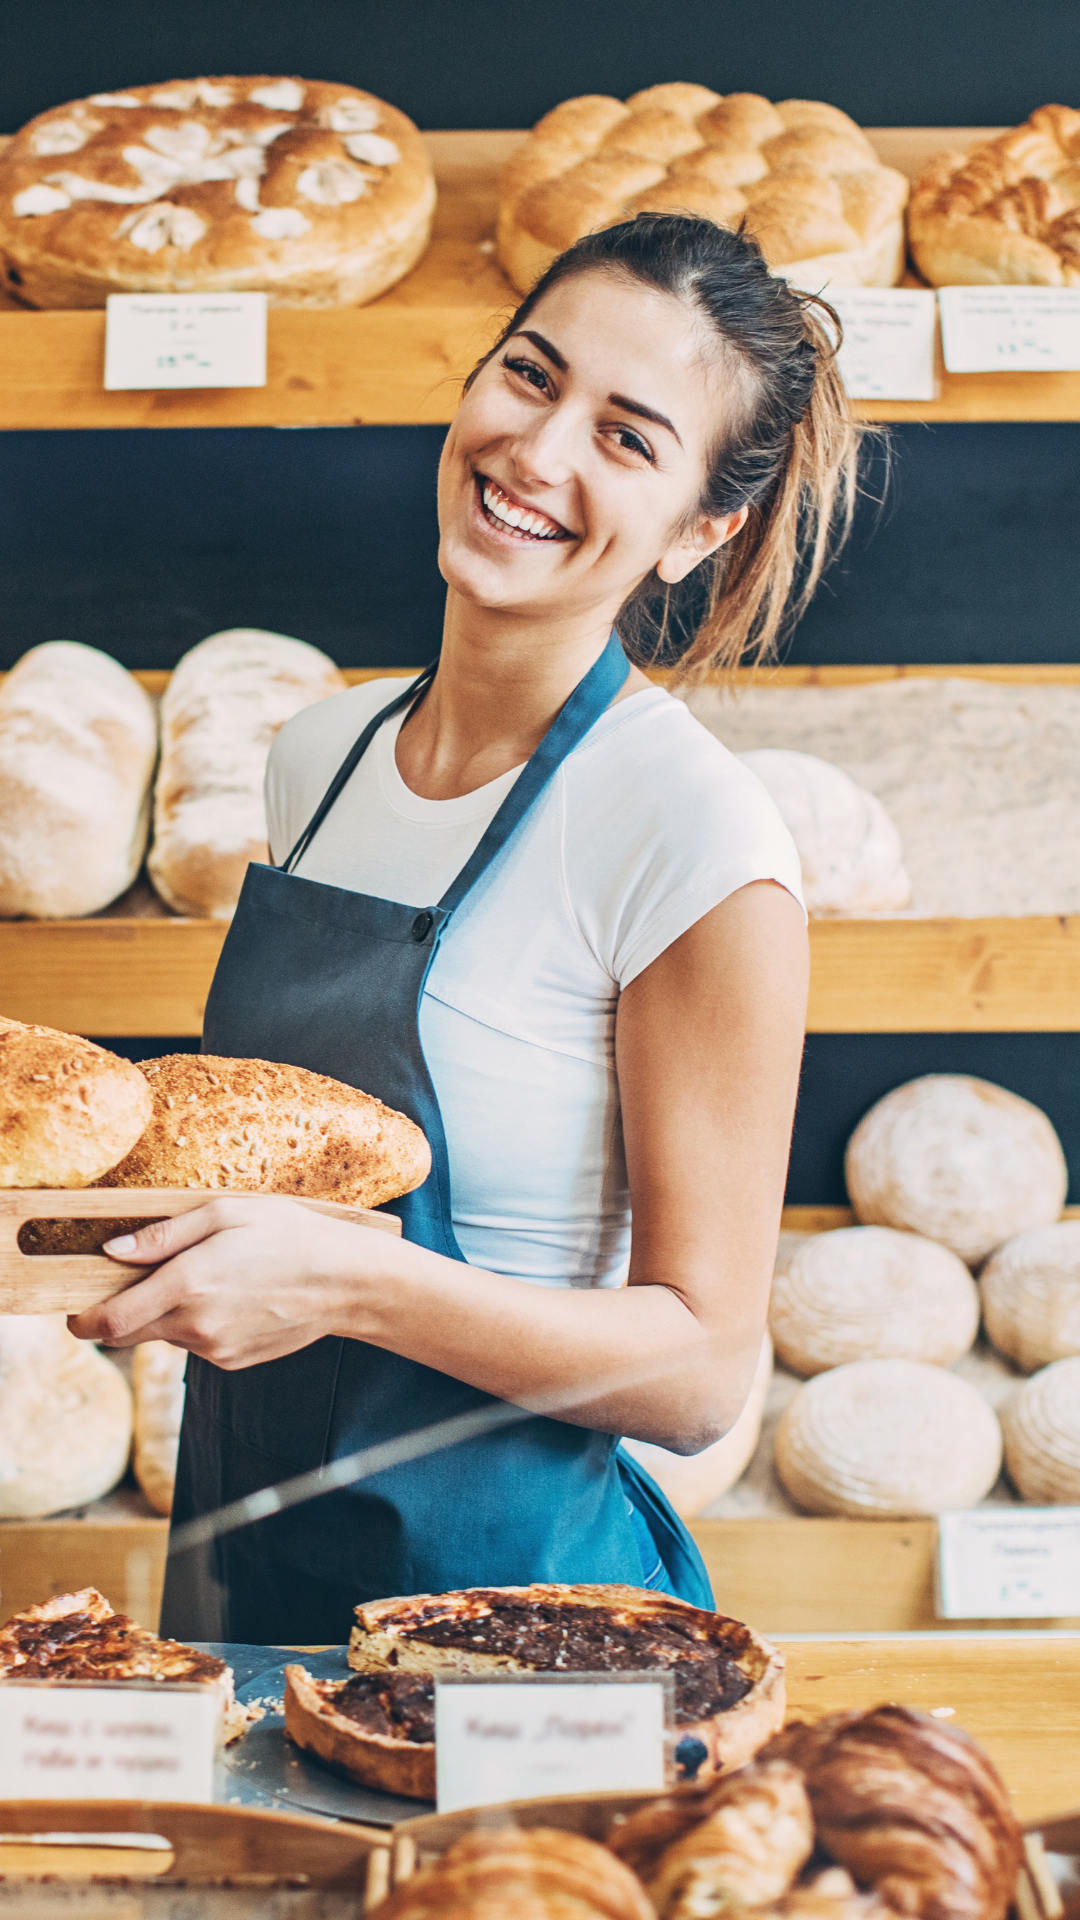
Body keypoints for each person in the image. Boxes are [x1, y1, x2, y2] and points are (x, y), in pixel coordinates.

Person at [72, 214, 860, 1643]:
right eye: (531, 375)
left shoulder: (693, 837)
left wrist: (349, 1280)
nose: (540, 454)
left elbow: (698, 1370)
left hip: (522, 1633)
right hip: (250, 1574)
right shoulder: (317, 756)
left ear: (702, 527)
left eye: (628, 439)